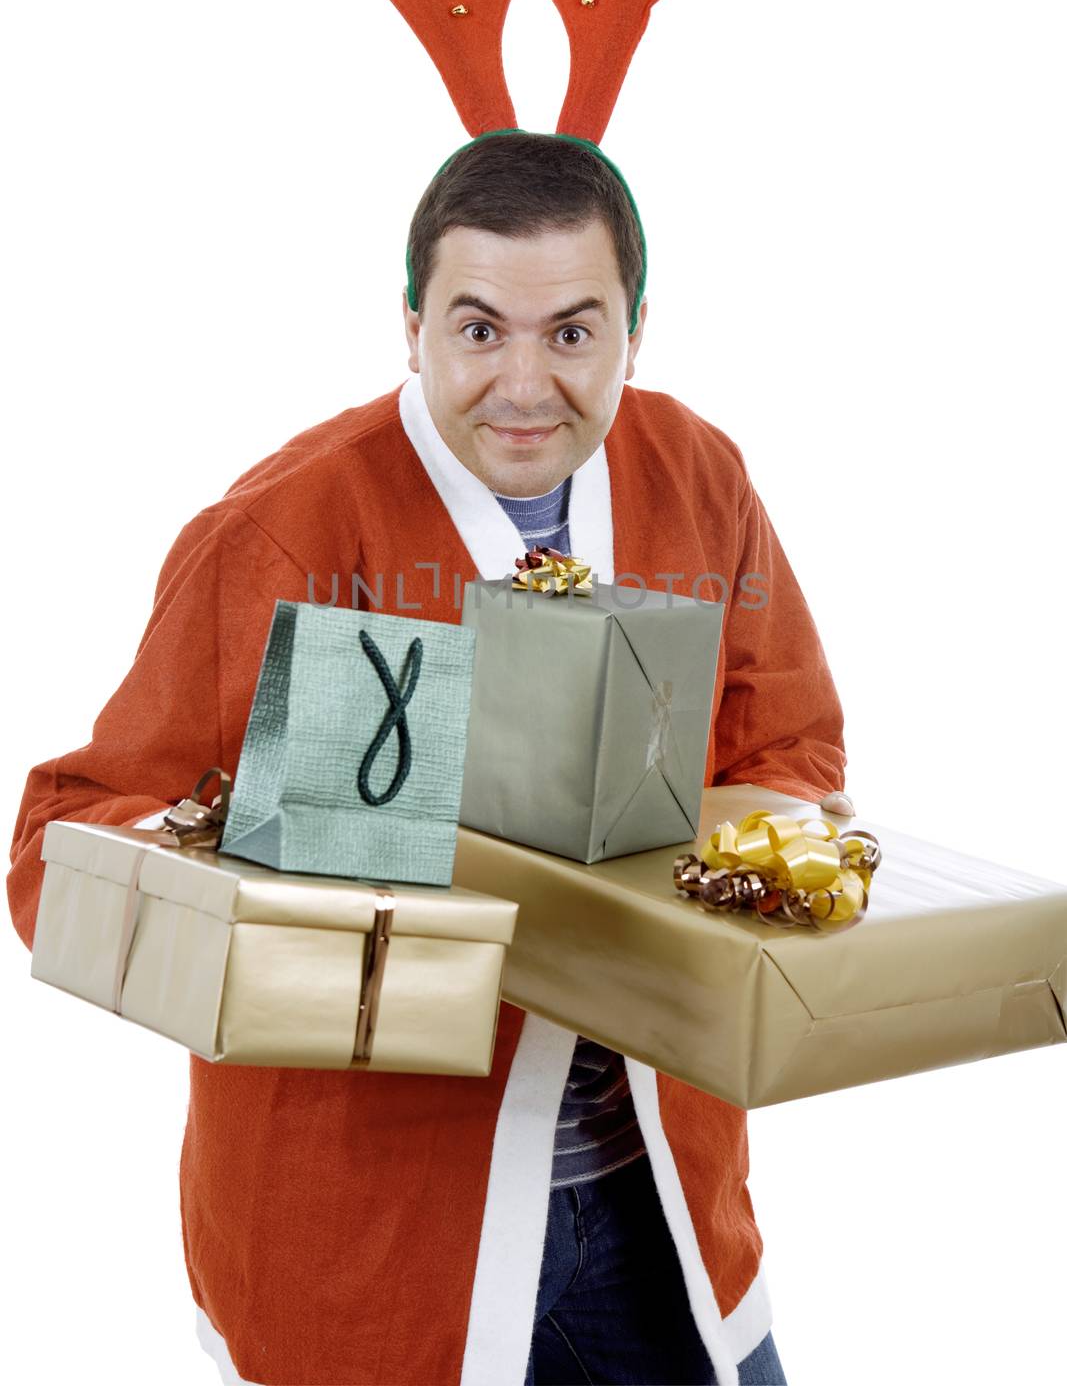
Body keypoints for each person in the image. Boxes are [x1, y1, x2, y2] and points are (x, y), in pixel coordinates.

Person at [8, 129, 849, 1385]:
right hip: (369, 1229)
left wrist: (712, 875)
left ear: (634, 327)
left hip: (659, 1203)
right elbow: (60, 842)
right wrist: (291, 856)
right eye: (476, 329)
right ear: (409, 327)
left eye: (571, 331)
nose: (523, 384)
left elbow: (791, 746)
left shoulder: (698, 476)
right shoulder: (282, 534)